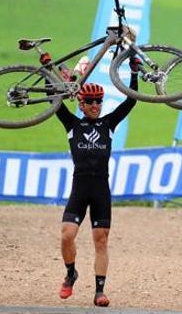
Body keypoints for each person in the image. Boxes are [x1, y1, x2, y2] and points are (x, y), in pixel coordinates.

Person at [54, 58, 139, 308]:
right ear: (81, 104)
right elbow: (54, 99)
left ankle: (99, 291)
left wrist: (134, 72)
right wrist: (57, 71)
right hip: (79, 188)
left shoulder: (108, 124)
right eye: (90, 101)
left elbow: (131, 100)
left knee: (100, 240)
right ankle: (71, 273)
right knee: (67, 236)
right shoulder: (73, 124)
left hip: (101, 188)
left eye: (99, 101)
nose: (95, 105)